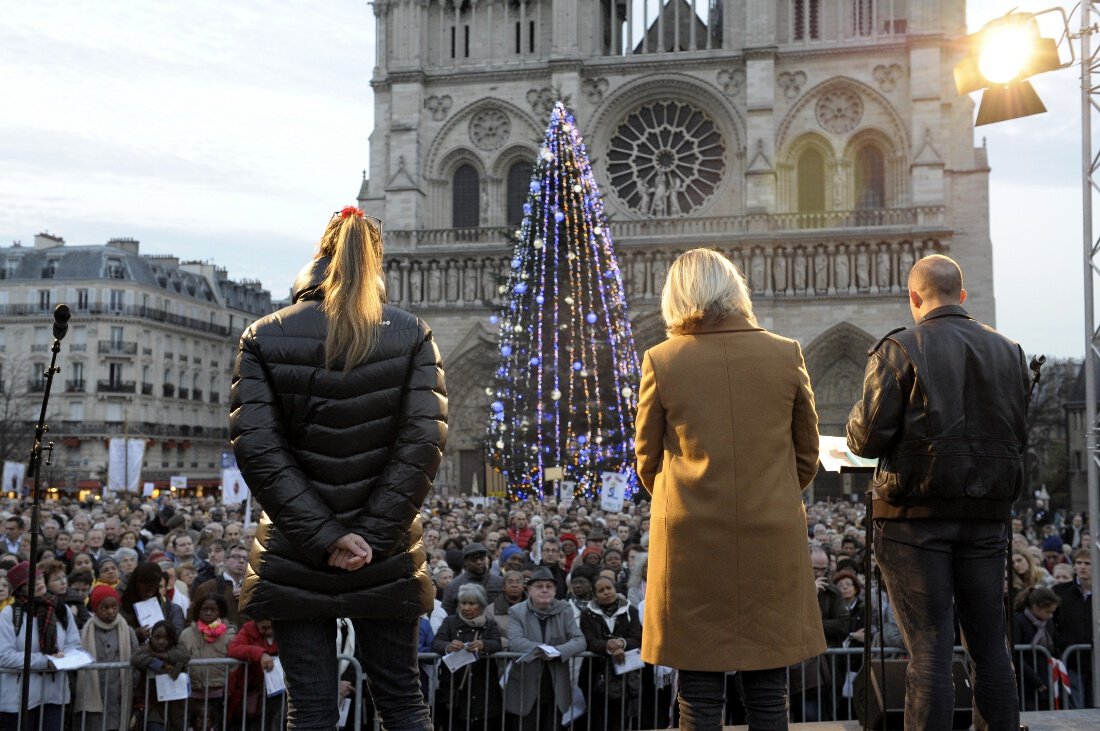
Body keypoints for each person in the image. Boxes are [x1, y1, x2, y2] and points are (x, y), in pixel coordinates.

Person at [230, 206, 447, 729]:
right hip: (386, 550)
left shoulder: (263, 335)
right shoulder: (412, 333)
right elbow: (422, 443)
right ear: (377, 260)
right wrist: (371, 533)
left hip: (298, 550)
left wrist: (326, 536)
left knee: (310, 710)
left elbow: (259, 450)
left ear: (319, 254)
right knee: (401, 703)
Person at [634, 248, 824, 731]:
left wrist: (685, 495)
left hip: (691, 541)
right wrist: (771, 493)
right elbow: (807, 454)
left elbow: (647, 460)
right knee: (768, 690)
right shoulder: (785, 353)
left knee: (698, 694)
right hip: (770, 535)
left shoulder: (661, 360)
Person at [846, 254, 1028, 730]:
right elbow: (1018, 434)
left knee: (928, 650)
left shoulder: (899, 348)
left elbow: (866, 440)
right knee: (991, 649)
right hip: (987, 514)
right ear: (962, 296)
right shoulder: (1009, 350)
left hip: (915, 516)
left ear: (914, 298)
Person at [0, 561, 83, 731]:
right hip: (19, 697)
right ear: (20, 589)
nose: (38, 583)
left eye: (38, 578)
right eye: (31, 581)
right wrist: (46, 661)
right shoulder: (9, 614)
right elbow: (4, 655)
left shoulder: (60, 608)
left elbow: (73, 643)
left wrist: (65, 657)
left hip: (54, 694)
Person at [503, 567, 587, 731]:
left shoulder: (565, 610)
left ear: (555, 590)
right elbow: (515, 641)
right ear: (529, 590)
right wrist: (544, 650)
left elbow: (579, 640)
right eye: (539, 586)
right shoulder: (517, 611)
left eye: (549, 586)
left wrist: (556, 652)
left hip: (555, 687)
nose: (544, 590)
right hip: (525, 687)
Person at [431, 583, 504, 730]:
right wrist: (448, 646)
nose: (466, 607)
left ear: (481, 605)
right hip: (455, 688)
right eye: (463, 603)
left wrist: (484, 645)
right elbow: (437, 643)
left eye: (472, 603)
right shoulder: (450, 622)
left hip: (483, 688)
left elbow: (497, 643)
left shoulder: (489, 624)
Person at [578, 575, 643, 731]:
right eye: (601, 590)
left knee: (619, 720)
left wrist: (622, 643)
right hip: (595, 677)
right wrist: (609, 646)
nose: (606, 592)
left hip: (624, 678)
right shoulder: (587, 614)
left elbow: (637, 637)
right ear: (595, 595)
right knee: (597, 720)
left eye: (609, 588)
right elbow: (589, 641)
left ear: (615, 589)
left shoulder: (630, 610)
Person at [74, 585, 139, 731]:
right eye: (105, 608)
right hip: (94, 697)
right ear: (95, 608)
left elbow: (136, 660)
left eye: (114, 607)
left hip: (118, 696)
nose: (110, 611)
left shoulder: (127, 632)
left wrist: (131, 684)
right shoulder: (84, 633)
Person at [179, 594, 237, 731]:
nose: (209, 613)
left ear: (220, 612)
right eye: (205, 609)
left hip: (219, 694)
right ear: (198, 611)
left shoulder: (230, 635)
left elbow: (235, 666)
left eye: (213, 609)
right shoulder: (186, 634)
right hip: (193, 694)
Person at [131, 619, 190, 731]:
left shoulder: (177, 649)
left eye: (165, 638)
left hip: (176, 707)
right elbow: (134, 658)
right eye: (157, 637)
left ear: (171, 639)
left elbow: (185, 656)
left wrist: (162, 655)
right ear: (151, 638)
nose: (161, 642)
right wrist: (159, 664)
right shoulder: (147, 649)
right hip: (153, 707)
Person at [1013, 586, 1061, 711]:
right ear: (1035, 607)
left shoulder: (1048, 624)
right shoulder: (1018, 621)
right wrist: (1036, 681)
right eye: (1047, 611)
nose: (1050, 616)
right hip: (1026, 681)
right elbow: (1016, 654)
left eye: (1052, 612)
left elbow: (1055, 648)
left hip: (1046, 678)